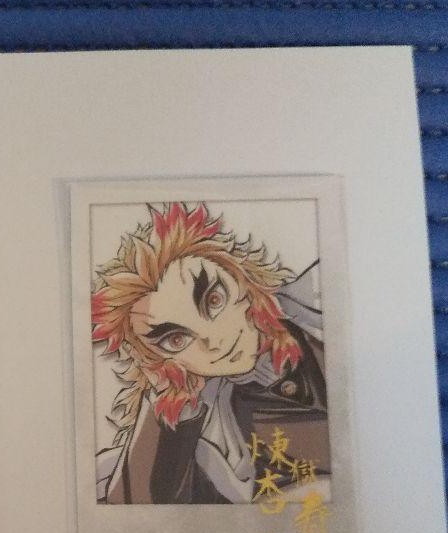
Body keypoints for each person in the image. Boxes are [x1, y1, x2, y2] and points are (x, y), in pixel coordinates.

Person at [91, 202, 329, 505]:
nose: (213, 341)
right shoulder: (207, 419)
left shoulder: (320, 303)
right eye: (177, 339)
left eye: (214, 300)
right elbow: (138, 509)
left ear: (240, 275)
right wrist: (170, 403)